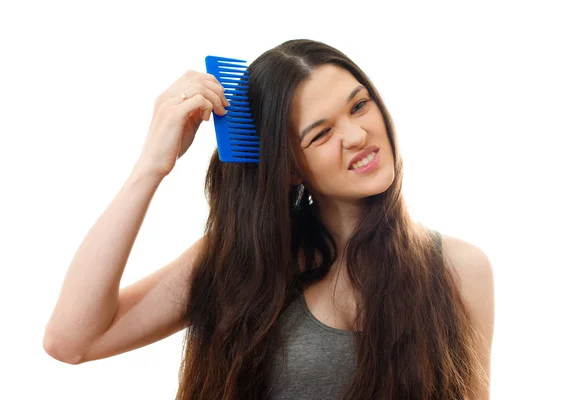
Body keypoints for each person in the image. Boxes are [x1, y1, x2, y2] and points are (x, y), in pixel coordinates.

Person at [43, 39, 495, 399]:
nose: (358, 136)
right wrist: (151, 167)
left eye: (359, 106)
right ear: (290, 166)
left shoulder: (460, 268)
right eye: (321, 133)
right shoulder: (243, 263)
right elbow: (72, 339)